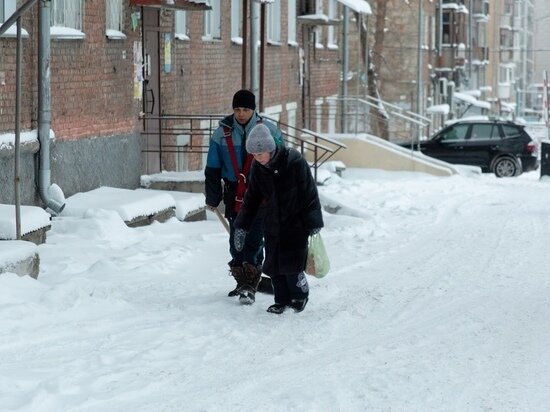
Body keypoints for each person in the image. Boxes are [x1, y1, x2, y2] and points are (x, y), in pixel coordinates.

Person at [233, 124, 323, 314]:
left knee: (292, 264)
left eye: (260, 154)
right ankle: (280, 300)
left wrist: (313, 221)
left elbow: (310, 193)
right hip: (272, 222)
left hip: (296, 222)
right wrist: (241, 226)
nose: (257, 159)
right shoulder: (258, 168)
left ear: (270, 149)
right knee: (273, 266)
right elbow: (251, 200)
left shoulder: (294, 160)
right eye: (254, 155)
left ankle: (300, 296)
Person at [204, 89, 283, 305]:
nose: (240, 113)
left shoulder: (268, 131)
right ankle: (241, 281)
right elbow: (212, 166)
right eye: (237, 109)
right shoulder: (221, 133)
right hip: (234, 194)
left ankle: (251, 283)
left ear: (253, 109)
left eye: (245, 109)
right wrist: (213, 196)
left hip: (260, 194)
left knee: (255, 238)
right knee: (235, 238)